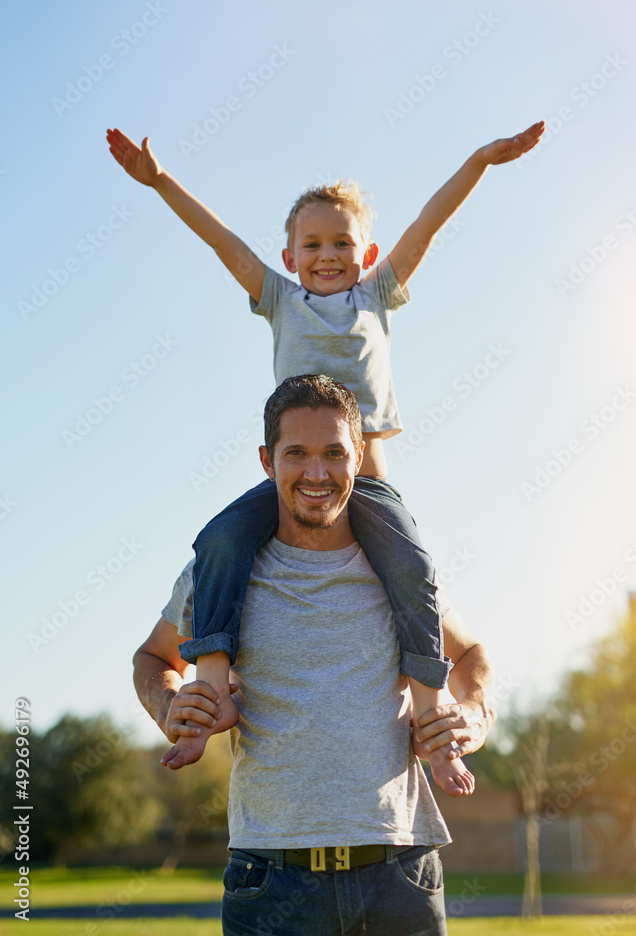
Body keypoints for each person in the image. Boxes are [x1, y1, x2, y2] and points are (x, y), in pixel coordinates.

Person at [109, 119, 542, 793]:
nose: (328, 253)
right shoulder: (281, 301)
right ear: (289, 256)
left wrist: (480, 161)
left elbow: (430, 221)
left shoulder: (378, 294)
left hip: (365, 482)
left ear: (366, 254)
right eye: (312, 244)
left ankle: (437, 729)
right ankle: (210, 696)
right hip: (293, 482)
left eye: (342, 241)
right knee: (219, 540)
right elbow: (222, 242)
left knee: (413, 570)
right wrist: (161, 180)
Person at [132, 374, 496, 936]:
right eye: (296, 453)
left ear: (359, 461)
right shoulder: (218, 574)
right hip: (271, 877)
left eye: (334, 454)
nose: (317, 473)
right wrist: (168, 703)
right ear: (266, 461)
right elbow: (153, 658)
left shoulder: (401, 573)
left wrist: (470, 716)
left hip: (399, 872)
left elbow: (470, 653)